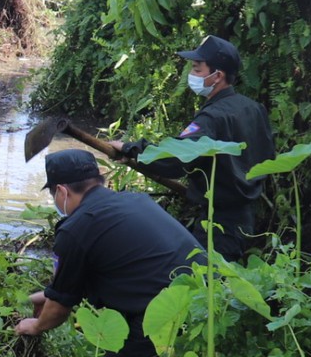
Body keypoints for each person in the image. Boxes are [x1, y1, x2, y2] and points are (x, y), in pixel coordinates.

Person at [15, 150, 200, 357]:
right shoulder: (135, 200)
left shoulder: (75, 228)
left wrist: (36, 325)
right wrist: (46, 296)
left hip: (162, 314)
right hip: (207, 300)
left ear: (61, 191)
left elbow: (59, 310)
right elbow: (117, 268)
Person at [111, 36, 275, 260]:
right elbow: (268, 156)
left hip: (218, 224)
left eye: (197, 69)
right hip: (247, 217)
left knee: (208, 284)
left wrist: (130, 148)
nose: (191, 74)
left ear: (217, 76)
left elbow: (176, 159)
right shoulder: (254, 108)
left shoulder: (212, 117)